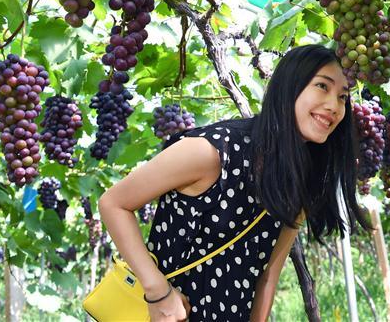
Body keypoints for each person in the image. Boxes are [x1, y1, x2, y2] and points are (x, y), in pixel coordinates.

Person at [99, 44, 369, 322]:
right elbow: (113, 203)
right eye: (322, 86)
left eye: (342, 97)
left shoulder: (299, 180)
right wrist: (157, 292)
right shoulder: (213, 152)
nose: (334, 106)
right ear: (289, 87)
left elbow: (268, 276)